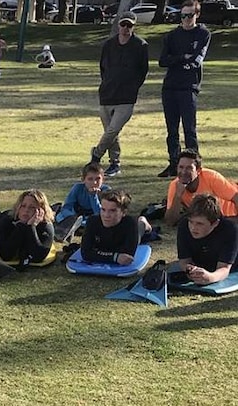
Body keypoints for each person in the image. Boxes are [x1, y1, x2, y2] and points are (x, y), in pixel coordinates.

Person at [89, 11, 148, 179]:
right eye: (123, 24)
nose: (126, 28)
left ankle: (96, 156)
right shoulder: (109, 45)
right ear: (118, 25)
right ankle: (115, 163)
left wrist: (132, 87)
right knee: (110, 132)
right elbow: (103, 67)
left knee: (113, 130)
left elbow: (143, 71)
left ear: (134, 27)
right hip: (107, 95)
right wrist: (107, 83)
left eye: (129, 25)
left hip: (126, 98)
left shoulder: (140, 45)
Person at [157, 0, 210, 178]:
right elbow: (163, 61)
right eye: (183, 15)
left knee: (189, 128)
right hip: (170, 87)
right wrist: (182, 57)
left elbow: (196, 60)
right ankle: (174, 164)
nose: (186, 19)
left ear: (197, 15)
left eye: (190, 15)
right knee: (172, 129)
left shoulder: (203, 33)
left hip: (189, 87)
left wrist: (182, 59)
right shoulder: (172, 36)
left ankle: (194, 166)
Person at [175, 194, 238, 285]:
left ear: (215, 224)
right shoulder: (184, 226)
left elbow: (224, 268)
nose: (193, 228)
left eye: (199, 224)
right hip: (202, 264)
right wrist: (190, 270)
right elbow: (184, 260)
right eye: (191, 222)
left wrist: (210, 277)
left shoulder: (230, 230)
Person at [164, 149, 238, 226]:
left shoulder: (212, 177)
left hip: (230, 214)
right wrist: (178, 196)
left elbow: (236, 196)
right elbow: (170, 222)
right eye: (181, 167)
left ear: (198, 171)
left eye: (189, 168)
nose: (183, 172)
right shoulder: (175, 185)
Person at [0, 189, 55, 264]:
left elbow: (38, 257)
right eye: (23, 206)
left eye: (32, 207)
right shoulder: (7, 220)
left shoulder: (46, 225)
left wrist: (31, 226)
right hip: (2, 219)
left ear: (41, 211)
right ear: (18, 207)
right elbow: (6, 255)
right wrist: (21, 225)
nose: (26, 210)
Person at [79, 190, 147, 265]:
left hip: (133, 229)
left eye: (112, 211)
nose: (106, 215)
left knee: (140, 230)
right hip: (112, 244)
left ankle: (143, 222)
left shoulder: (130, 224)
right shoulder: (92, 221)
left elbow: (127, 256)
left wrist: (98, 254)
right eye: (103, 209)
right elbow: (85, 253)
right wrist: (115, 257)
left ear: (123, 212)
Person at [54, 162, 109, 240]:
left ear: (103, 179)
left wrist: (93, 196)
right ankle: (71, 227)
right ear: (83, 180)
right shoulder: (78, 188)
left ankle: (76, 228)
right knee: (60, 216)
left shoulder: (106, 191)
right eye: (90, 179)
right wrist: (72, 217)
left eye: (98, 179)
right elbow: (67, 206)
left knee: (98, 222)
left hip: (93, 217)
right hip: (76, 215)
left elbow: (101, 213)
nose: (94, 183)